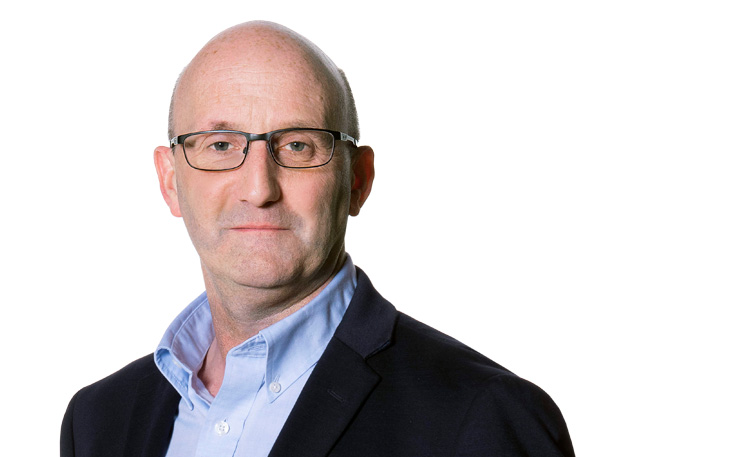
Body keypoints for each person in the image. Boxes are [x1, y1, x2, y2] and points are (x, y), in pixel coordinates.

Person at [61, 21, 575, 457]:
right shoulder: (99, 422)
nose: (259, 189)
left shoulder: (484, 417)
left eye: (298, 146)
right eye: (220, 145)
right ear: (171, 182)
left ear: (357, 180)